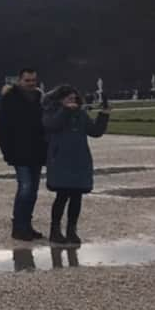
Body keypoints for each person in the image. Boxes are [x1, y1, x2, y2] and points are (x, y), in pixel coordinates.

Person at [42, 86, 110, 246]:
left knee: (76, 196)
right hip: (60, 159)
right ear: (60, 100)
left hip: (79, 159)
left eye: (74, 99)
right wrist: (65, 110)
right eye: (68, 99)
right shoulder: (51, 112)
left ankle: (72, 230)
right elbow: (52, 125)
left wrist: (104, 115)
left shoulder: (80, 113)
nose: (72, 102)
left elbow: (95, 131)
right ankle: (55, 230)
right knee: (62, 196)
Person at [0, 67, 47, 242]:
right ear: (19, 80)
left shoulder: (39, 98)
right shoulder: (10, 99)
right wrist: (8, 151)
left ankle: (27, 226)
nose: (31, 84)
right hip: (19, 152)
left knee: (32, 191)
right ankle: (18, 227)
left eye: (34, 80)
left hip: (37, 152)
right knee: (25, 188)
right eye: (28, 80)